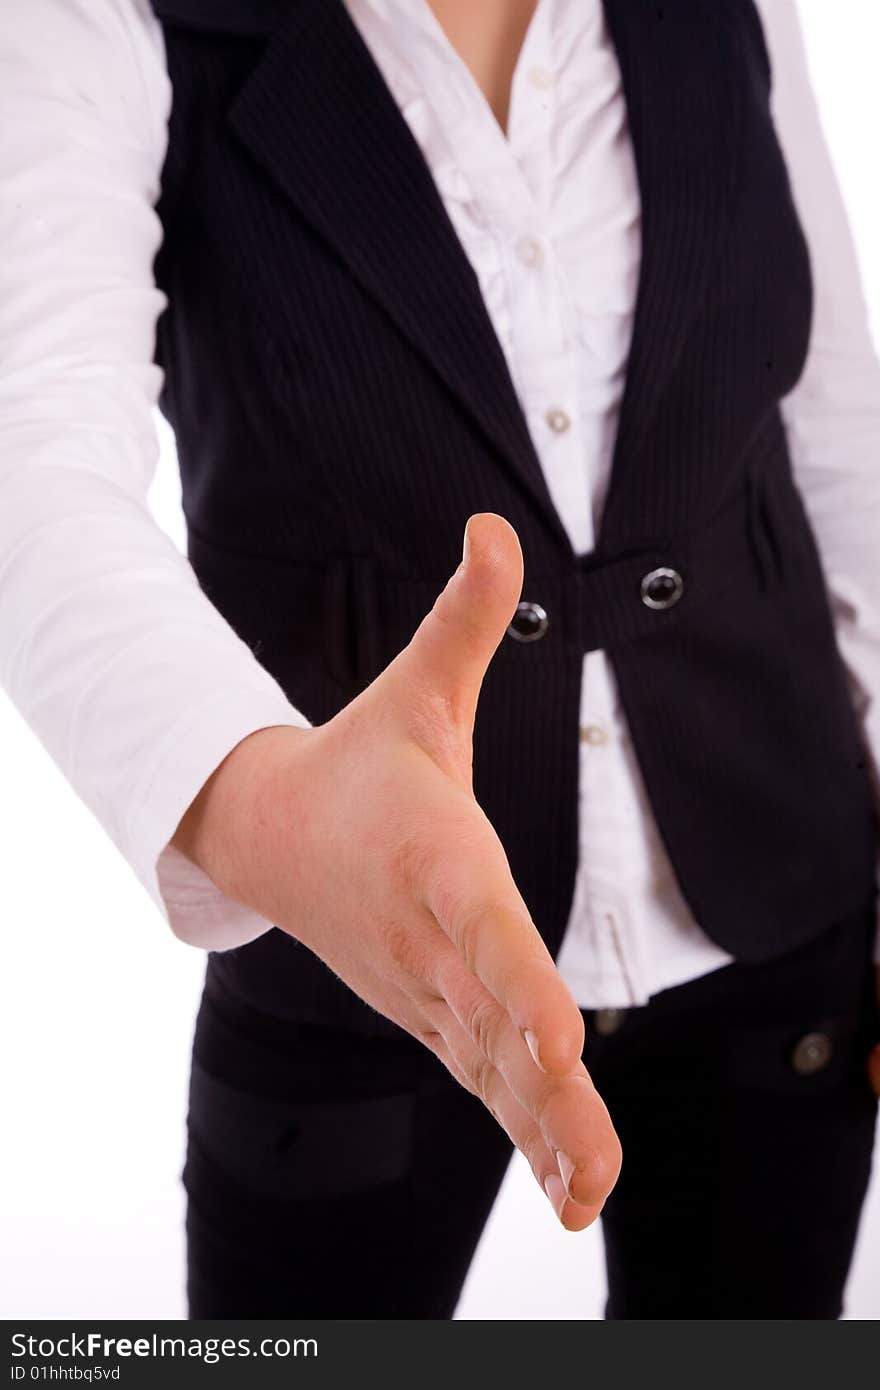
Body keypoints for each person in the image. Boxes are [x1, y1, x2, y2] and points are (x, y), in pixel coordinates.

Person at [2, 0, 879, 1319]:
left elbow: (832, 423)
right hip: (359, 939)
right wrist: (260, 800)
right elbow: (35, 467)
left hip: (780, 893)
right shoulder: (101, 24)